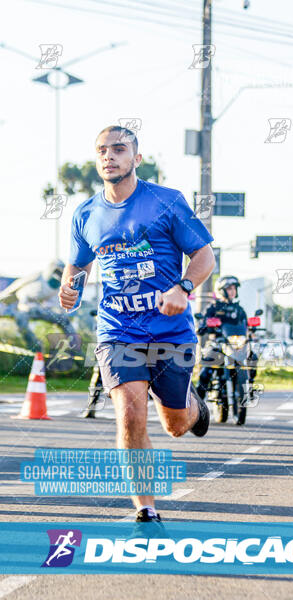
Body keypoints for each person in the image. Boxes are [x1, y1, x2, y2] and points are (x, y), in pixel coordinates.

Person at [58, 125, 215, 524]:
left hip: (169, 329)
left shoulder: (167, 202)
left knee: (175, 425)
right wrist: (71, 287)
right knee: (129, 413)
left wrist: (183, 287)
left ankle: (193, 407)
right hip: (118, 330)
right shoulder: (86, 213)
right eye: (102, 151)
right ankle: (147, 507)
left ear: (136, 159)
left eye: (119, 149)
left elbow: (204, 255)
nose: (109, 156)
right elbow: (78, 263)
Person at [197, 275, 257, 399]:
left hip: (237, 344)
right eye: (229, 288)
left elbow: (246, 326)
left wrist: (251, 330)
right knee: (206, 369)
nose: (233, 291)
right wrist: (204, 326)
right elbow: (202, 324)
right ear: (221, 290)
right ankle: (198, 403)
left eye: (234, 288)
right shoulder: (213, 307)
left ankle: (248, 385)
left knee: (252, 356)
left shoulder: (239, 309)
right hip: (217, 343)